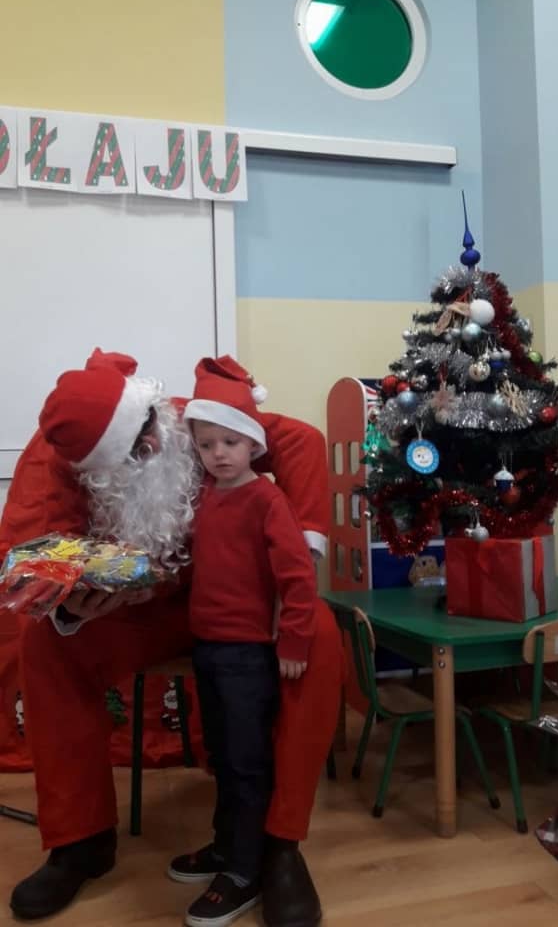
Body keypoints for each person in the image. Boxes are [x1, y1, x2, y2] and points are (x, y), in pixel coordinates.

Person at [0, 349, 344, 927]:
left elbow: (300, 440)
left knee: (320, 635)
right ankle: (80, 841)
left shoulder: (193, 422)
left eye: (149, 428)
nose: (155, 445)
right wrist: (71, 602)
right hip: (141, 611)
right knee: (48, 646)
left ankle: (279, 844)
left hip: (235, 603)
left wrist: (301, 554)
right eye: (134, 451)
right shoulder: (54, 458)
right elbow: (32, 549)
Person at [179, 359, 319, 927]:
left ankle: (244, 870)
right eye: (207, 444)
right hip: (207, 648)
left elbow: (298, 577)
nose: (219, 454)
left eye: (230, 442)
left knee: (246, 762)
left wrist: (295, 642)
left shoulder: (267, 500)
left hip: (246, 655)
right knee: (221, 756)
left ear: (253, 442)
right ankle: (225, 847)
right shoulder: (204, 498)